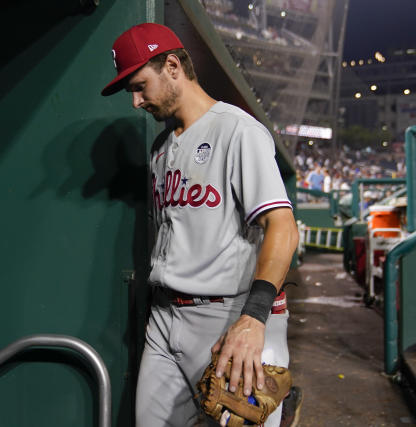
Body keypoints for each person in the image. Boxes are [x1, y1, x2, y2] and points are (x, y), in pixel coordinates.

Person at [101, 23, 300, 426]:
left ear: (172, 66)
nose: (136, 101)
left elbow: (283, 226)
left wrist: (253, 318)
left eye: (140, 86)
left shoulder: (237, 131)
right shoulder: (161, 147)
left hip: (227, 317)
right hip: (165, 317)